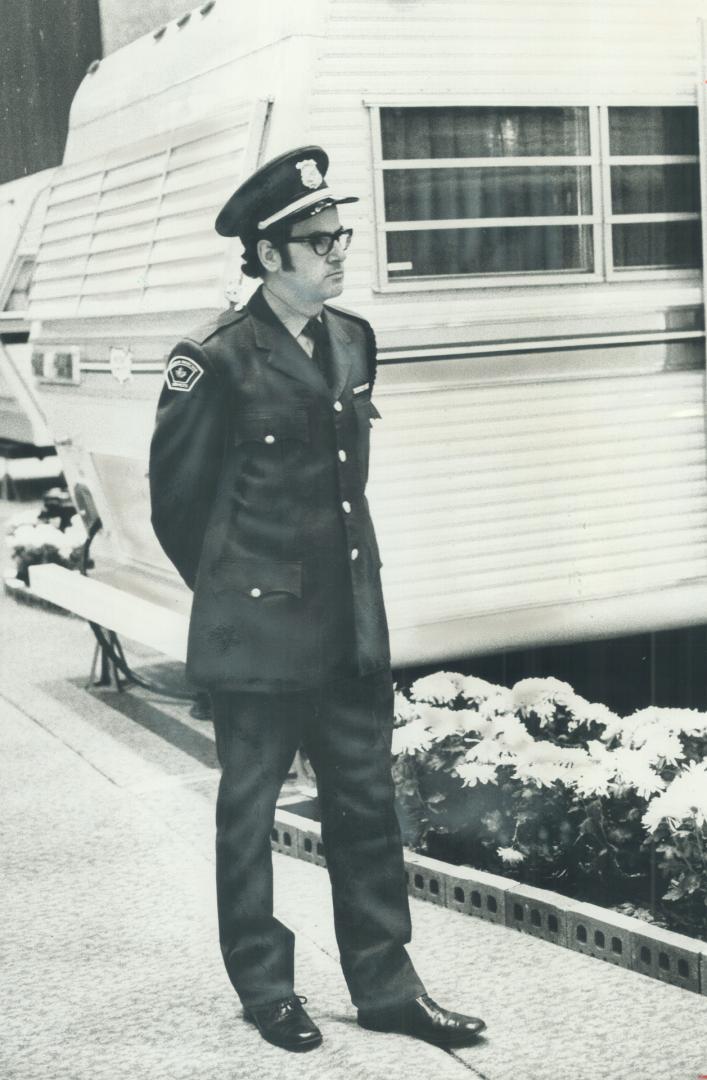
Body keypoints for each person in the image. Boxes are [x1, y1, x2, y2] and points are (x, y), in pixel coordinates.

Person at [149, 145, 486, 1054]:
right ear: (266, 256)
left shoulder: (353, 338)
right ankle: (266, 988)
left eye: (342, 236)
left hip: (347, 622)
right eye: (318, 241)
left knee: (367, 807)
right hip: (255, 627)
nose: (339, 254)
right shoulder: (213, 359)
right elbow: (178, 509)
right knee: (249, 814)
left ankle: (386, 986)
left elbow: (349, 486)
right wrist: (241, 593)